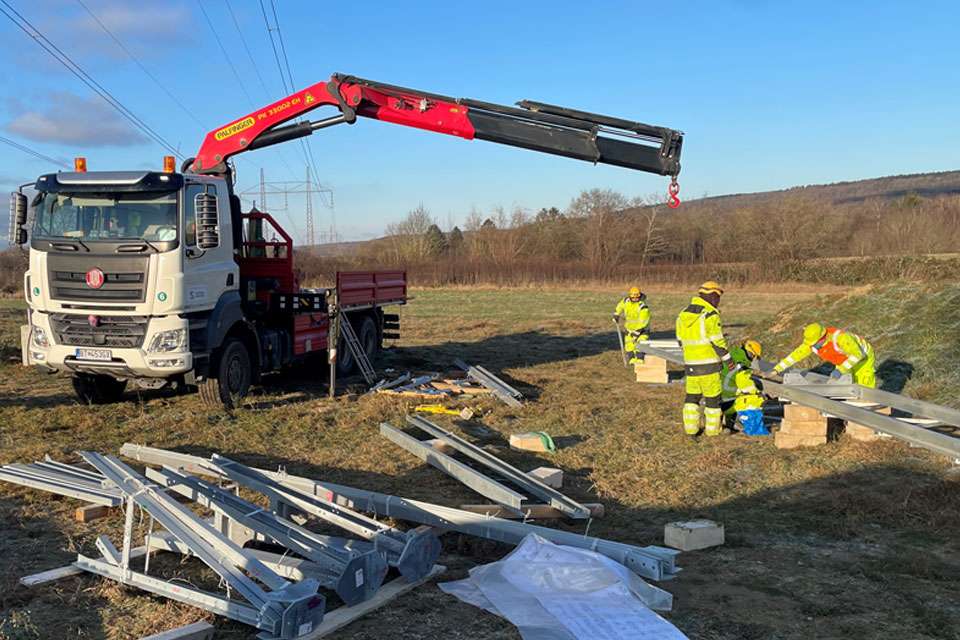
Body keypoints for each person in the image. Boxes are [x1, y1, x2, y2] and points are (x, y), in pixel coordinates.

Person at [675, 281, 733, 437]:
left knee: (692, 397)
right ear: (713, 297)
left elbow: (680, 340)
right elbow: (718, 343)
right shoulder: (710, 315)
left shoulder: (683, 314)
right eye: (718, 298)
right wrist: (729, 361)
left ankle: (691, 431)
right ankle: (713, 431)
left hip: (691, 365)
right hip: (710, 366)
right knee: (713, 399)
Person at [769, 323, 876, 388]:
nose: (813, 347)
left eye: (815, 343)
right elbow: (795, 356)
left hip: (862, 360)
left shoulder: (841, 338)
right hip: (842, 360)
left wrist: (841, 370)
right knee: (845, 386)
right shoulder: (812, 344)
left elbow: (857, 355)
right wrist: (777, 369)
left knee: (864, 388)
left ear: (822, 338)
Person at [721, 340, 769, 435]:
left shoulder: (733, 355)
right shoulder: (741, 364)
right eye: (755, 357)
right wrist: (761, 393)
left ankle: (731, 421)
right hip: (727, 400)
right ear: (751, 354)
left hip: (719, 396)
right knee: (754, 398)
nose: (753, 360)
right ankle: (747, 424)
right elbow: (746, 386)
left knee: (740, 394)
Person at [613, 286, 650, 365]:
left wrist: (637, 332)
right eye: (633, 298)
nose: (635, 299)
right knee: (629, 344)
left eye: (637, 298)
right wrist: (616, 314)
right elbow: (620, 306)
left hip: (642, 330)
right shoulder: (626, 301)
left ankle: (640, 359)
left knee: (640, 344)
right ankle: (632, 359)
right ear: (630, 296)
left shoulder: (643, 307)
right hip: (629, 328)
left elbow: (643, 322)